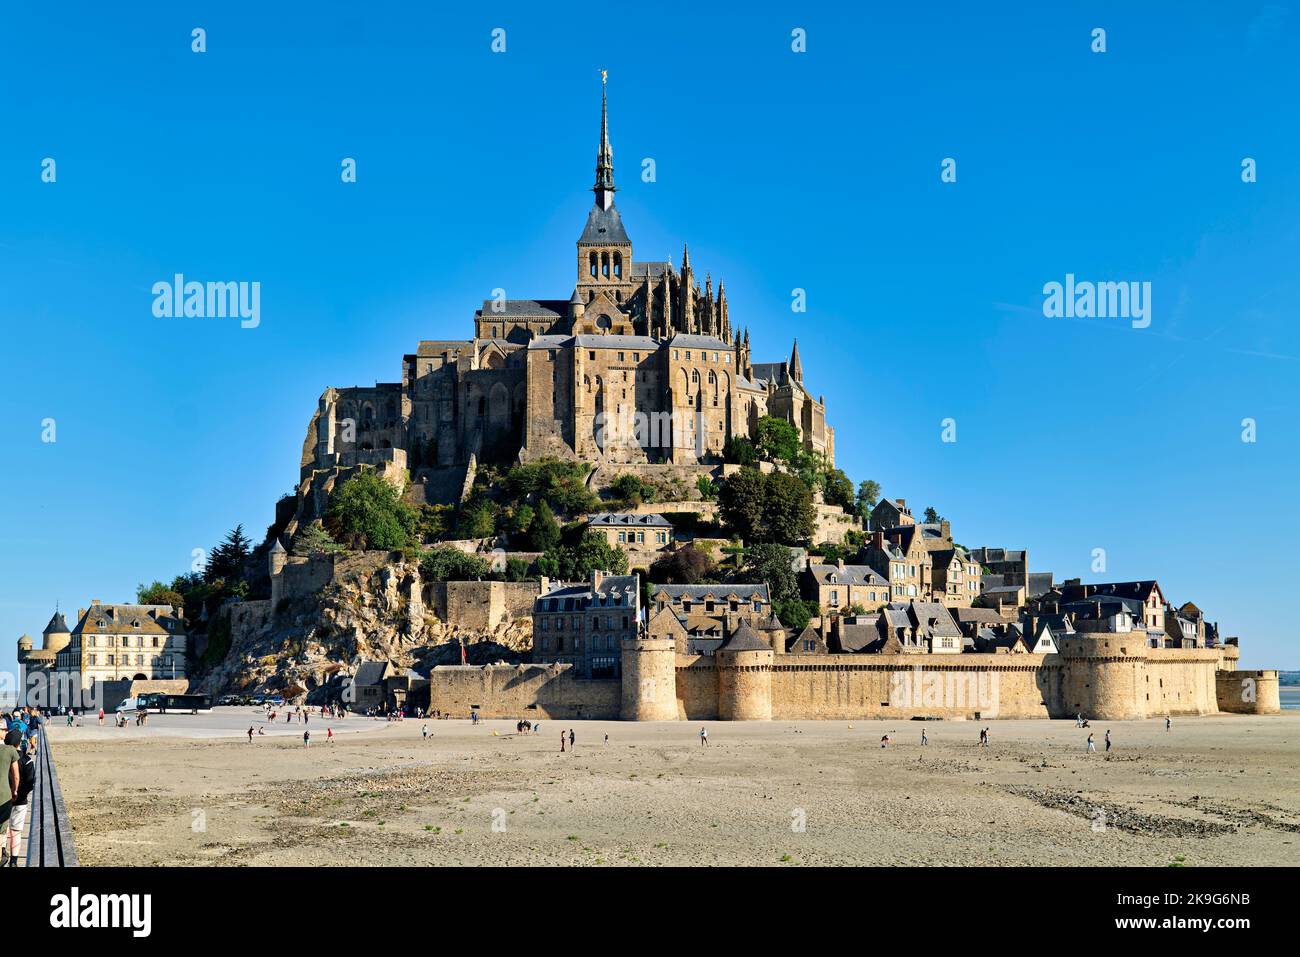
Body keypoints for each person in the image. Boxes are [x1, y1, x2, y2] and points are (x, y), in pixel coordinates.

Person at [0, 729, 20, 866]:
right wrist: (14, 791)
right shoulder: (11, 751)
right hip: (3, 794)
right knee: (1, 830)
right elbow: (16, 776)